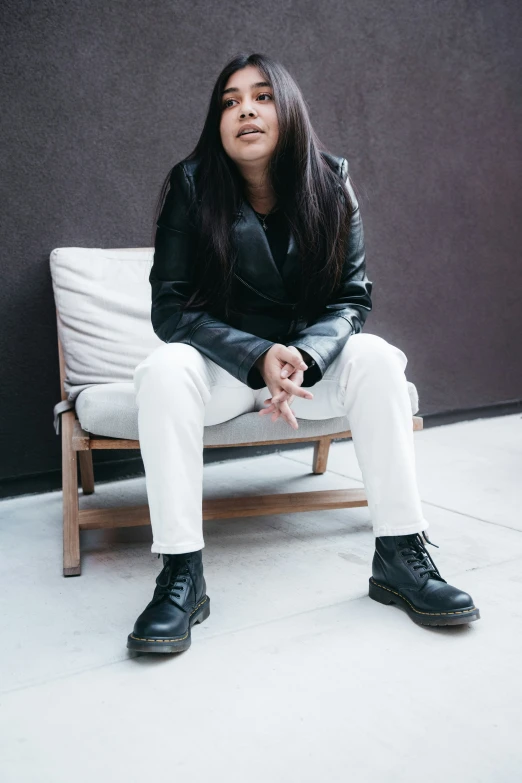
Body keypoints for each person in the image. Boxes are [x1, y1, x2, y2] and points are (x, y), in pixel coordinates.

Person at [127, 53, 480, 654]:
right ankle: (182, 574)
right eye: (229, 101)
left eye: (261, 97)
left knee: (377, 357)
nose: (245, 110)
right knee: (161, 369)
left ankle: (400, 555)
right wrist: (259, 353)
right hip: (227, 368)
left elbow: (351, 296)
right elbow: (171, 309)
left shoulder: (332, 179)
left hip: (309, 371)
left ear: (287, 110)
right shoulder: (191, 184)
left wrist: (305, 358)